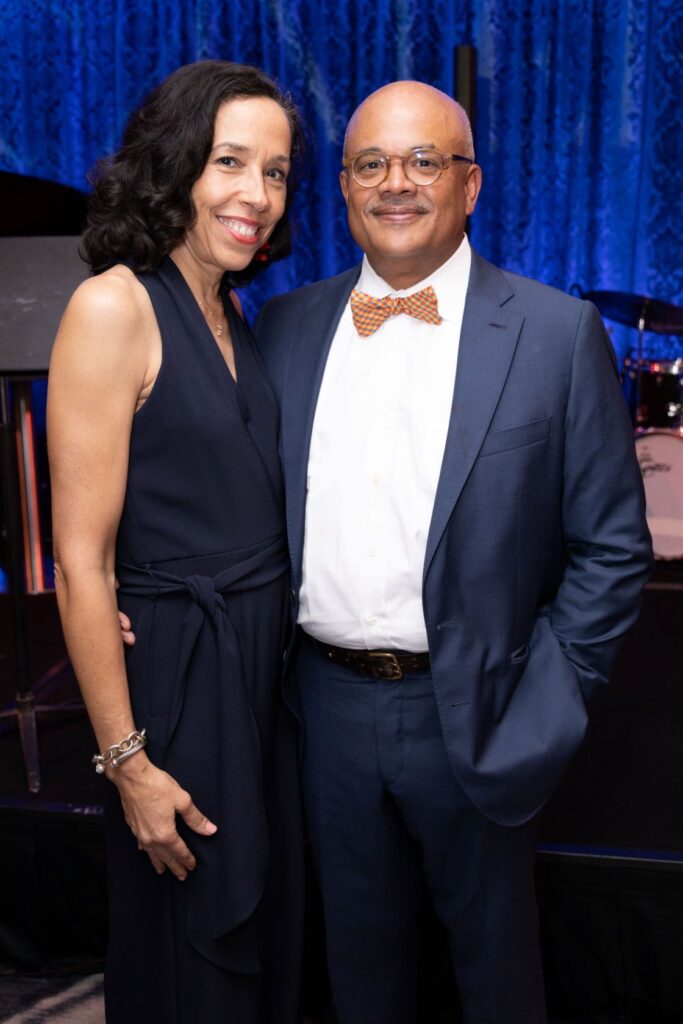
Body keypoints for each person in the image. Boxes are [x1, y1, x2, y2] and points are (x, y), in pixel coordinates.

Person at [255, 81, 653, 1024]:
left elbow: (611, 549)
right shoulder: (281, 329)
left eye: (423, 161)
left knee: (495, 981)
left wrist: (542, 711)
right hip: (323, 717)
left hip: (478, 711)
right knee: (357, 980)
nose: (396, 183)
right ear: (344, 189)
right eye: (369, 164)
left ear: (469, 185)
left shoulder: (555, 334)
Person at [47, 60, 304, 1024]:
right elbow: (80, 562)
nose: (256, 195)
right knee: (192, 957)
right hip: (179, 691)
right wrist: (129, 764)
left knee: (260, 945)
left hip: (257, 683)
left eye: (275, 172)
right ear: (174, 162)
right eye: (229, 161)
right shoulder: (115, 305)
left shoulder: (231, 311)